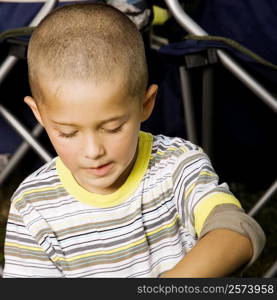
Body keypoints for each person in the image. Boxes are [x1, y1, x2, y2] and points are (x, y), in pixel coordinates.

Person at [3, 3, 265, 278]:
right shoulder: (33, 205)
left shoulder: (178, 166)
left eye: (114, 128)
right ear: (39, 114)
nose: (93, 151)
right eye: (68, 132)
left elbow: (239, 233)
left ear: (146, 103)